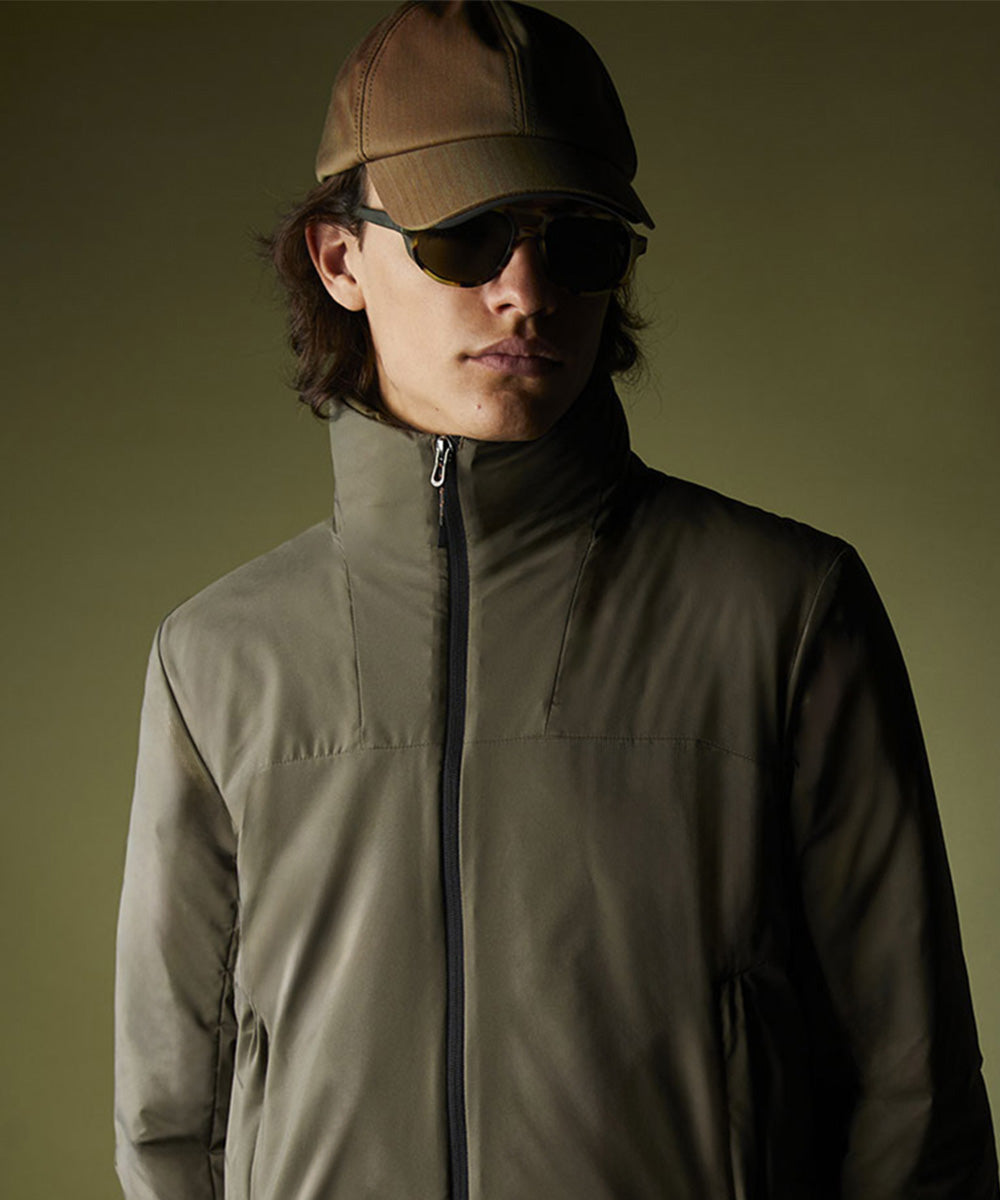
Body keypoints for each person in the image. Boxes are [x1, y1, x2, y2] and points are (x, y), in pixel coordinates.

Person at [114, 3, 998, 1198]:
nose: (525, 291)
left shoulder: (783, 614)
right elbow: (172, 1115)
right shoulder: (217, 658)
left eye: (576, 243)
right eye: (466, 237)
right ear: (340, 259)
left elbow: (914, 1095)